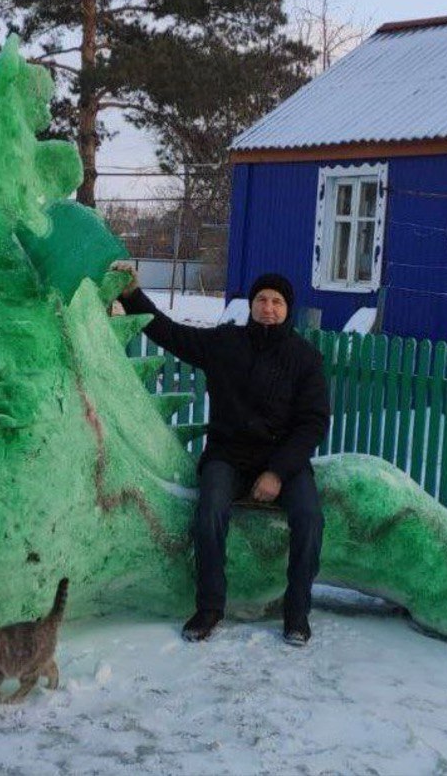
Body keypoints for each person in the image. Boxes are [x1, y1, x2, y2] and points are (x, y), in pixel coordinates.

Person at [114, 265, 330, 646]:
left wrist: (277, 473)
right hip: (228, 455)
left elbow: (312, 424)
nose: (268, 307)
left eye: (277, 302)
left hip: (283, 462)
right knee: (210, 509)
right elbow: (170, 333)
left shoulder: (305, 358)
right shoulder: (226, 344)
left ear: (287, 309)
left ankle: (296, 611)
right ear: (251, 305)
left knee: (310, 517)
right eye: (262, 299)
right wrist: (132, 295)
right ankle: (210, 607)